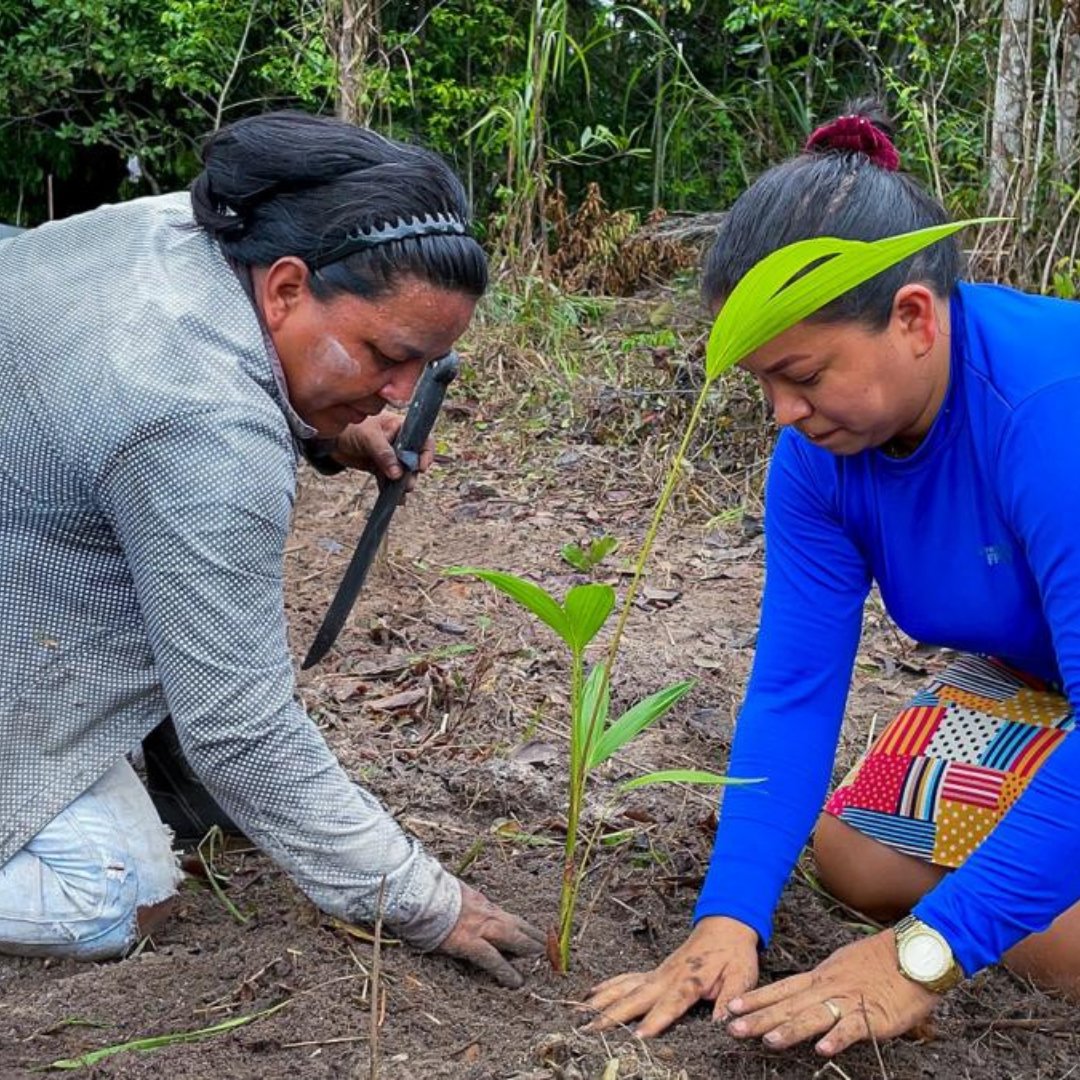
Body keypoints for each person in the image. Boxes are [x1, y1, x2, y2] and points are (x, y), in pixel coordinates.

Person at [0, 110, 544, 985]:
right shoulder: (201, 425)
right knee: (113, 891)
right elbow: (242, 729)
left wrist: (333, 434)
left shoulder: (180, 233)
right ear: (287, 289)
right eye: (386, 357)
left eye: (425, 369)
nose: (397, 396)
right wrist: (423, 900)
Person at [585, 100, 1080, 1055]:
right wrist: (729, 915)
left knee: (967, 914)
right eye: (763, 380)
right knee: (855, 852)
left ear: (913, 318)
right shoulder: (821, 454)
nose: (782, 412)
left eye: (804, 372)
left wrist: (924, 954)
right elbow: (796, 683)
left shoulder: (1048, 414)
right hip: (1044, 678)